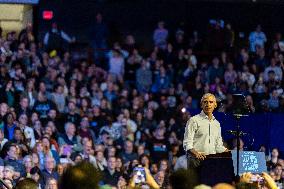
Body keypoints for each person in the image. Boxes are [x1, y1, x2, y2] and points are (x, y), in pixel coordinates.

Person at [183, 93, 228, 183]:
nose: (208, 104)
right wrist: (196, 153)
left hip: (211, 163)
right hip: (195, 162)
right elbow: (187, 143)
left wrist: (229, 152)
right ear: (201, 104)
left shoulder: (217, 124)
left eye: (211, 102)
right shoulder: (193, 120)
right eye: (205, 102)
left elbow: (218, 146)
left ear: (215, 105)